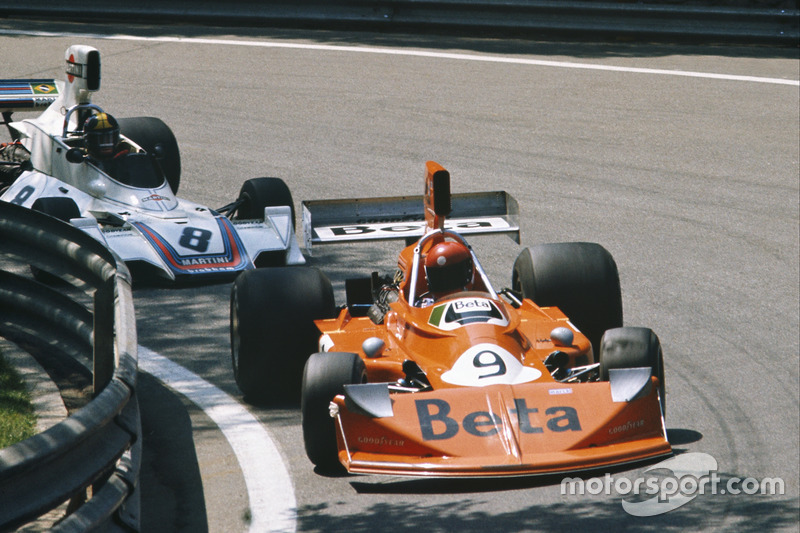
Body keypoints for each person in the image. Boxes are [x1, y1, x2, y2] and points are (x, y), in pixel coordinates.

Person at [416, 240, 474, 307]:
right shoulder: (423, 305)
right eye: (439, 276)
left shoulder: (481, 297)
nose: (448, 280)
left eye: (454, 275)